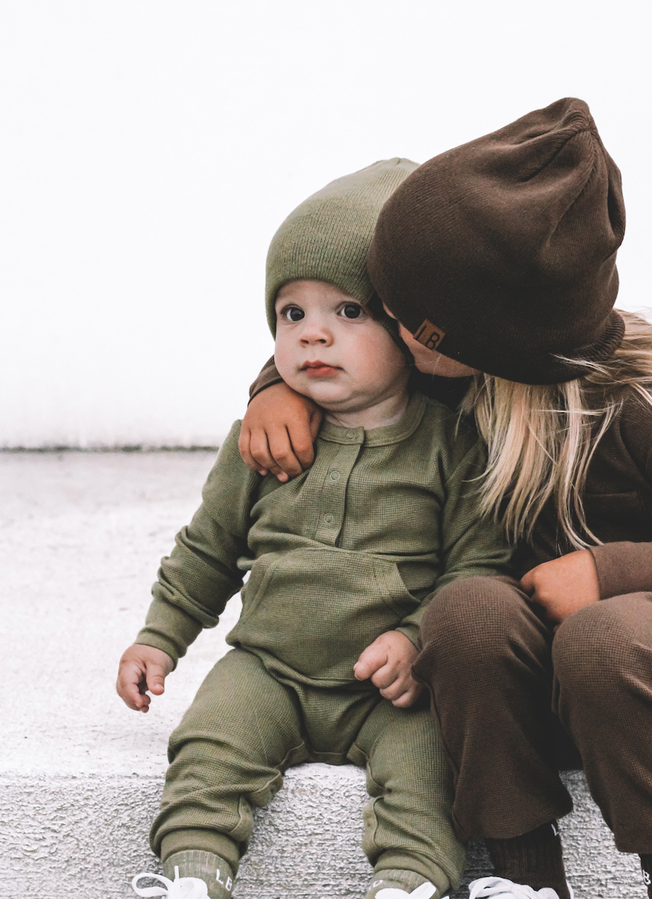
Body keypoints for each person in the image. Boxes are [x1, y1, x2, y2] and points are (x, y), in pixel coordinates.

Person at [238, 98, 652, 899]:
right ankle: (524, 874)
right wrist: (273, 388)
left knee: (606, 634)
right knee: (464, 610)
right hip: (535, 680)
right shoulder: (463, 374)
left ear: (486, 338)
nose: (388, 325)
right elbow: (350, 346)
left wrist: (613, 572)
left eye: (405, 318)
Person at [117, 158, 512, 899]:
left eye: (348, 312)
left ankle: (410, 878)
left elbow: (476, 568)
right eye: (291, 314)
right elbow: (209, 547)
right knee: (209, 739)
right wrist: (159, 635)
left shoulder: (450, 444)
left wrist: (416, 637)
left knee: (429, 763)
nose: (313, 336)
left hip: (391, 684)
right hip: (271, 666)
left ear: (407, 329)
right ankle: (191, 873)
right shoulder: (262, 440)